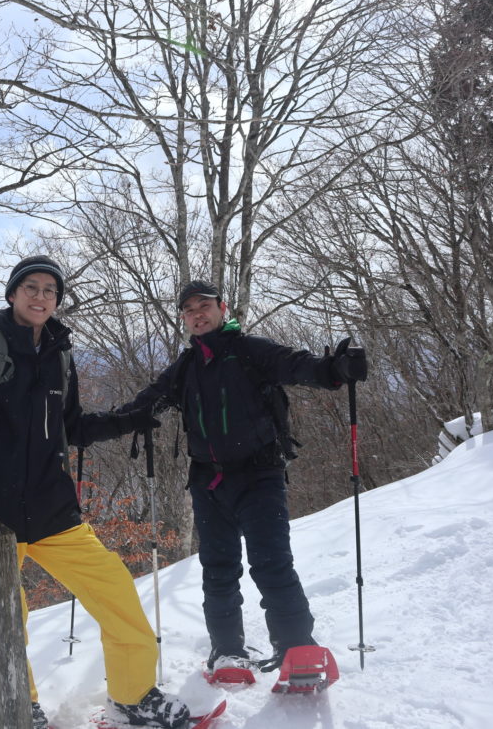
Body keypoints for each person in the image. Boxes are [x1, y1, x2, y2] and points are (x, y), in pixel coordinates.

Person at [0, 256, 191, 729]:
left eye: (50, 291)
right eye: (31, 288)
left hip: (52, 508)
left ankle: (134, 696)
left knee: (116, 591)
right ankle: (20, 705)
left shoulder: (62, 356)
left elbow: (71, 426)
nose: (40, 297)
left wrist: (127, 419)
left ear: (57, 301)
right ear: (12, 294)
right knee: (2, 619)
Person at [115, 280, 367, 677]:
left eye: (204, 306)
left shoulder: (252, 351)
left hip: (259, 476)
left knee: (272, 564)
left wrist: (336, 369)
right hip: (207, 483)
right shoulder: (185, 367)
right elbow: (144, 404)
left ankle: (296, 648)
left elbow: (300, 366)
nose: (197, 314)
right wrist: (93, 426)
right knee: (217, 569)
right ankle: (227, 651)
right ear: (183, 318)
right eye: (189, 310)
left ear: (222, 308)